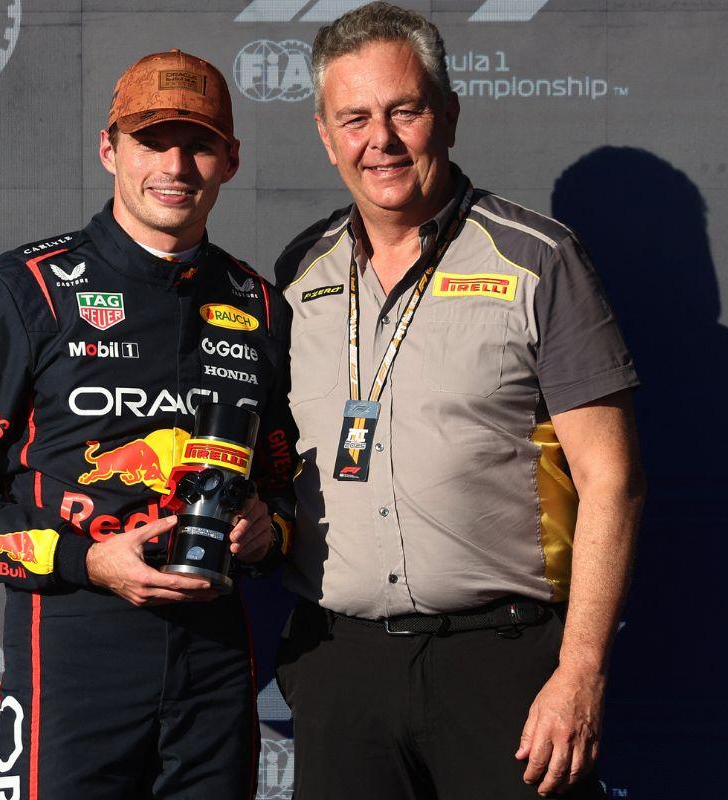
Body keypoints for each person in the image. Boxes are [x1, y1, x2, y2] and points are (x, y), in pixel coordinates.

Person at [0, 49, 296, 799]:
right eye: (152, 141)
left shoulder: (261, 305)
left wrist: (271, 530)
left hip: (215, 659)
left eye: (199, 144)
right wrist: (83, 560)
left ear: (231, 161)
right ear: (109, 149)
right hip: (73, 644)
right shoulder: (30, 286)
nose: (175, 166)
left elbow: (284, 485)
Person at [272, 4, 646, 799]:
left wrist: (580, 671)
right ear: (326, 135)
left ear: (447, 113)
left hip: (503, 666)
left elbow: (612, 480)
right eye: (355, 119)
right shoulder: (299, 271)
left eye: (404, 111)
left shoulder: (538, 260)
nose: (381, 140)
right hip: (341, 666)